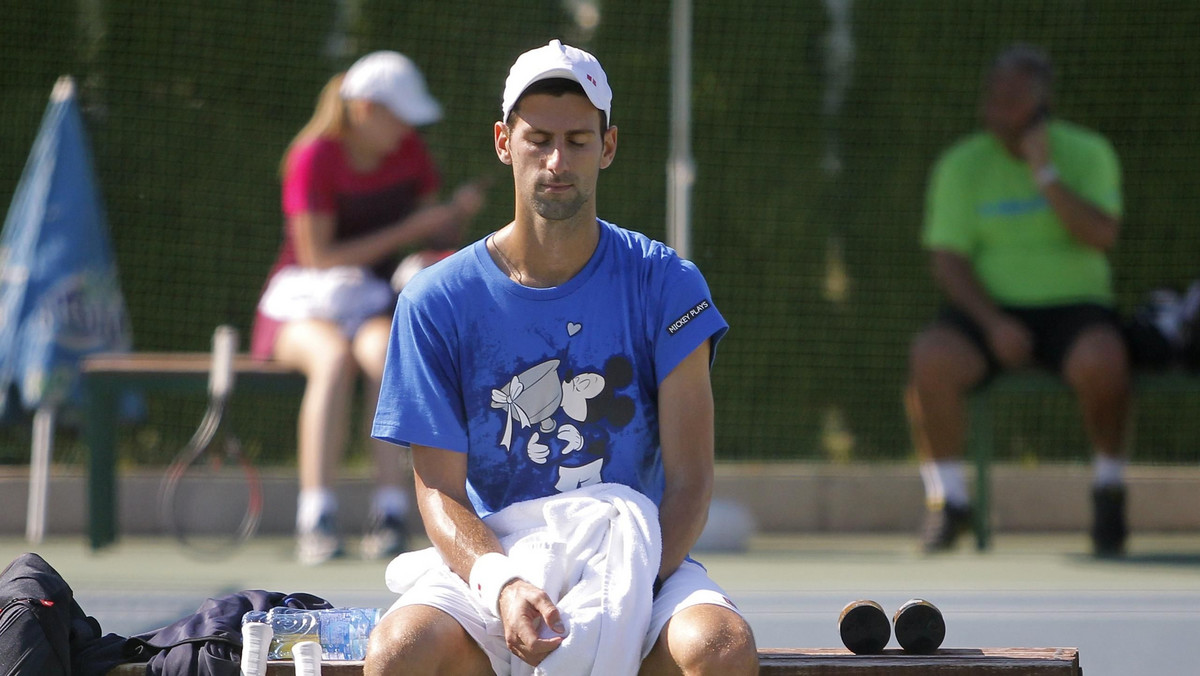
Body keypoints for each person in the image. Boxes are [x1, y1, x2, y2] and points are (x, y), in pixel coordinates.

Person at [365, 40, 758, 675]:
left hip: (636, 550)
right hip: (498, 559)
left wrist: (619, 588)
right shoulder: (433, 300)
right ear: (502, 141)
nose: (556, 159)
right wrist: (504, 585)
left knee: (718, 649)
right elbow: (438, 490)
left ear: (607, 147)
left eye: (578, 140)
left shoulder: (669, 283)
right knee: (398, 651)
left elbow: (690, 480)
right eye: (538, 137)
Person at [251, 50, 486, 565]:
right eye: (396, 115)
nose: (405, 128)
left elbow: (434, 236)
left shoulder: (411, 155)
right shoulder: (313, 156)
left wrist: (453, 218)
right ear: (362, 109)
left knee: (388, 359)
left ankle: (391, 512)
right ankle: (317, 515)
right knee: (332, 361)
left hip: (372, 303)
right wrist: (413, 230)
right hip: (300, 305)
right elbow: (319, 257)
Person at [905, 44, 1130, 557]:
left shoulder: (1089, 153)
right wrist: (992, 324)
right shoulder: (961, 165)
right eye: (993, 100)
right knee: (931, 357)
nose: (997, 113)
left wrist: (1045, 174)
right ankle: (949, 504)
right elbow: (947, 259)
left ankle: (1109, 490)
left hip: (1074, 310)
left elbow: (1101, 235)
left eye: (1012, 101)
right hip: (987, 312)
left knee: (1106, 359)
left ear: (1041, 103)